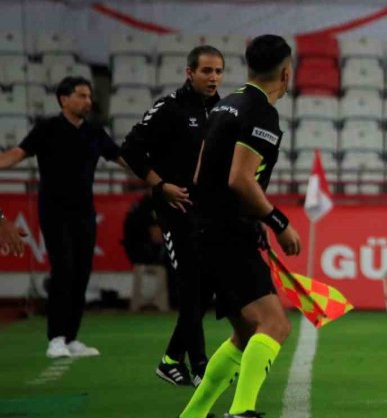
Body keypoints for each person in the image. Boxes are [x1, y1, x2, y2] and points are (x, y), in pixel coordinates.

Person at [177, 35, 301, 418]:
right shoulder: (261, 112)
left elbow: (199, 173)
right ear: (285, 72)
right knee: (275, 325)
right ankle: (243, 410)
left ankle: (193, 415)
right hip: (227, 233)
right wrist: (277, 222)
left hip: (206, 229)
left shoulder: (223, 106)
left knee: (246, 332)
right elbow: (240, 179)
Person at [0, 76, 130, 358]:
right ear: (64, 99)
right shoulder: (47, 128)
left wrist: (156, 176)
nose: (88, 101)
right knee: (63, 270)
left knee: (82, 273)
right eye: (81, 96)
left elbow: (121, 158)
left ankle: (72, 338)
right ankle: (55, 338)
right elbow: (17, 154)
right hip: (54, 211)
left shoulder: (95, 131)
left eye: (89, 96)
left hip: (85, 212)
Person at [121, 45, 224, 387]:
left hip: (208, 213)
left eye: (219, 71)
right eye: (207, 71)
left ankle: (170, 359)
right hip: (176, 209)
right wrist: (160, 185)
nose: (213, 78)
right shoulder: (170, 108)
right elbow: (130, 149)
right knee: (192, 288)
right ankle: (200, 368)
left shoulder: (223, 110)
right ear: (189, 72)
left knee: (204, 290)